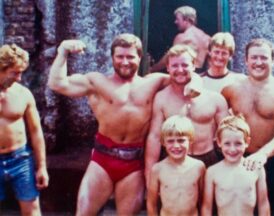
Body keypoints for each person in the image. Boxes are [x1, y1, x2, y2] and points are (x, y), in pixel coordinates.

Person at [48, 33, 201, 215]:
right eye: (120, 56)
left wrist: (197, 82)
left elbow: (183, 76)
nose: (125, 62)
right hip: (102, 161)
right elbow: (57, 83)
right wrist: (63, 51)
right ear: (112, 57)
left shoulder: (153, 82)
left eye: (130, 56)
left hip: (133, 164)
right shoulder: (97, 82)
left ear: (139, 57)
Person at [222, 38, 274, 215]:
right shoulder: (231, 90)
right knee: (242, 209)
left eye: (264, 58)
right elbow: (217, 116)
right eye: (254, 57)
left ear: (273, 60)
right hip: (240, 158)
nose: (258, 62)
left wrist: (263, 153)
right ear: (246, 60)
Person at [145, 44, 228, 185]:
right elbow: (154, 137)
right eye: (175, 66)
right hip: (173, 160)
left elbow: (227, 135)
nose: (180, 70)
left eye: (184, 65)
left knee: (209, 206)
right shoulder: (161, 98)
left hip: (208, 159)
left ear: (194, 65)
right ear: (168, 68)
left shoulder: (215, 99)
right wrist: (149, 175)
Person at [0, 44, 49, 215]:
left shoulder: (24, 94)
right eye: (15, 72)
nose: (20, 78)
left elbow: (36, 132)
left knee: (32, 211)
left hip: (20, 159)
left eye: (21, 72)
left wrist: (42, 166)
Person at [201, 115, 270, 216]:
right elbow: (207, 207)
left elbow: (263, 204)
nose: (232, 149)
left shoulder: (256, 169)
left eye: (238, 143)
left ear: (247, 142)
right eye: (227, 143)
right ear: (219, 142)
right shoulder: (212, 172)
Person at [147, 115, 205, 216]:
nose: (176, 146)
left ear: (190, 140)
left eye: (181, 140)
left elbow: (202, 200)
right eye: (170, 141)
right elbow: (151, 204)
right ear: (163, 142)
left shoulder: (199, 167)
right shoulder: (158, 169)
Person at [149, 5, 211, 73]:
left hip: (184, 74)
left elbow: (168, 59)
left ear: (187, 20)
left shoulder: (182, 37)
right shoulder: (207, 38)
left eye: (177, 19)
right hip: (200, 76)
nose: (175, 22)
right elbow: (209, 63)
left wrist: (152, 69)